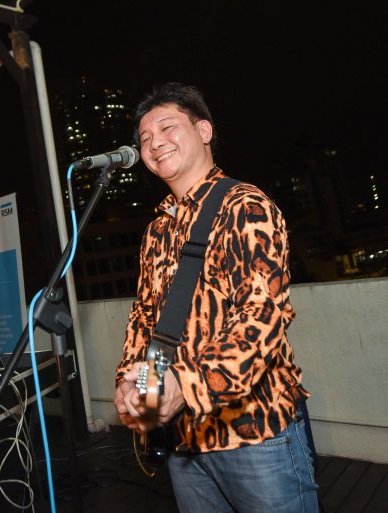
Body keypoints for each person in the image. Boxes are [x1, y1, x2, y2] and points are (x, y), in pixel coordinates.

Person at [113, 82, 319, 512]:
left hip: (255, 432)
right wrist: (133, 383)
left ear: (204, 131)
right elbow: (146, 318)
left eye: (167, 127)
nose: (154, 143)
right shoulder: (157, 231)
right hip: (184, 439)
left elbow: (261, 316)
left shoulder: (245, 206)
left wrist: (185, 386)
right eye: (145, 138)